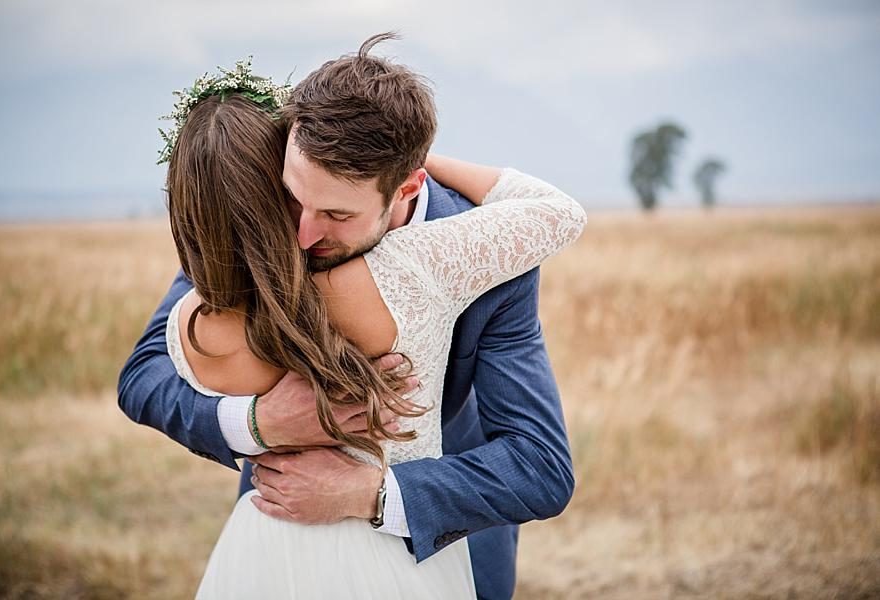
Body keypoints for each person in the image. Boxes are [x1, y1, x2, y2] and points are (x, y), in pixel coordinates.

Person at [119, 34, 584, 599]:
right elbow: (143, 378)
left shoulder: (488, 247)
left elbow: (539, 463)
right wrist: (260, 423)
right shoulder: (261, 205)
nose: (301, 233)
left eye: (337, 213)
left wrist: (372, 493)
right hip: (281, 529)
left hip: (443, 536)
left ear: (406, 185)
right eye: (295, 199)